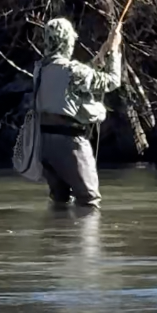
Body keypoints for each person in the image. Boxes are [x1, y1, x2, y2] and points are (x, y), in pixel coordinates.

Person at [31, 15, 122, 208]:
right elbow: (113, 81)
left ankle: (54, 236)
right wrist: (113, 51)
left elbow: (73, 80)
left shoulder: (40, 69)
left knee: (61, 199)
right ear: (68, 41)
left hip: (43, 144)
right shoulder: (73, 71)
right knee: (89, 201)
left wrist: (101, 54)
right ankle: (85, 238)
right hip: (69, 144)